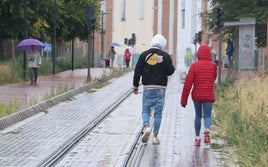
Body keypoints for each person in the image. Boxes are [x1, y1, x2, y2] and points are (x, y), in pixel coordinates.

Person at [133, 34, 175, 145]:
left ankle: (146, 126)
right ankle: (155, 136)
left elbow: (137, 71)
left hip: (147, 88)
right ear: (162, 45)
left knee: (145, 110)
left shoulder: (144, 55)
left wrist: (135, 86)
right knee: (158, 114)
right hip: (160, 89)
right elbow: (170, 71)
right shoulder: (166, 56)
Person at [180, 44, 217, 146]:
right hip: (208, 94)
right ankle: (207, 129)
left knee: (198, 115)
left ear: (198, 54)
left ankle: (197, 138)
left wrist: (184, 100)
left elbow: (188, 83)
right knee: (207, 115)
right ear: (209, 54)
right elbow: (214, 78)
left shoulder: (194, 65)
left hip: (197, 95)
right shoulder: (213, 65)